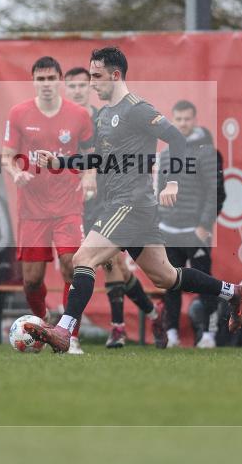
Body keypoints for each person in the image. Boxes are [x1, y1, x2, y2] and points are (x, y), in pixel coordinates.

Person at [25, 47, 242, 353]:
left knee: (83, 259)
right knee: (166, 277)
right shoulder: (104, 115)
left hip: (130, 204)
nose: (92, 83)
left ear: (115, 75)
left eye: (96, 76)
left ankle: (65, 331)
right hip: (130, 207)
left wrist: (172, 182)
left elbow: (176, 138)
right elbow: (99, 159)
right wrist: (59, 162)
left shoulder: (137, 109)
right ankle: (234, 292)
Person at [63, 66, 162, 349]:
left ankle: (114, 327)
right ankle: (153, 313)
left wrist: (91, 176)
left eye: (83, 85)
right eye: (72, 86)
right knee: (79, 263)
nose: (78, 90)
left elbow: (101, 157)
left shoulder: (101, 117)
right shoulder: (63, 121)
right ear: (65, 89)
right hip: (71, 202)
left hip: (105, 197)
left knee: (111, 262)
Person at [3, 57, 95, 355]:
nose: (46, 84)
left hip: (68, 205)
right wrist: (16, 173)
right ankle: (43, 324)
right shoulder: (19, 113)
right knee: (32, 280)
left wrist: (89, 177)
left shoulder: (79, 115)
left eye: (51, 78)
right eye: (40, 79)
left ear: (60, 81)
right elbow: (7, 155)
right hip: (32, 209)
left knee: (72, 266)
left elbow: (92, 155)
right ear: (33, 81)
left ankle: (70, 335)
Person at [157, 99, 225, 349]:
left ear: (195, 120)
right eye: (178, 119)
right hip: (168, 232)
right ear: (172, 121)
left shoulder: (208, 153)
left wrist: (204, 226)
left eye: (187, 119)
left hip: (196, 232)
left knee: (204, 284)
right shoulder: (166, 154)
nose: (183, 123)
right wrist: (159, 222)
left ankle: (208, 334)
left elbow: (216, 193)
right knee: (170, 282)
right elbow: (159, 192)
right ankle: (171, 333)